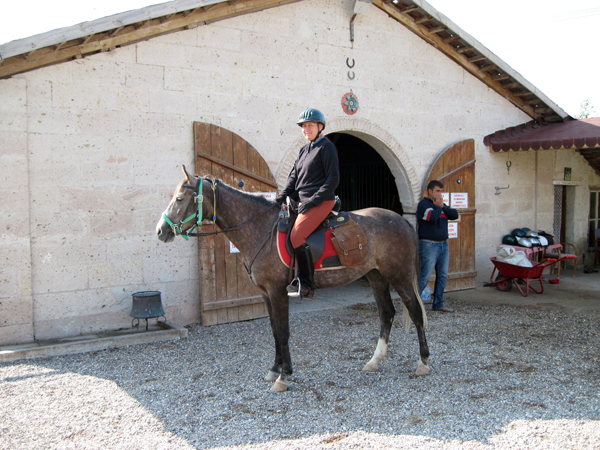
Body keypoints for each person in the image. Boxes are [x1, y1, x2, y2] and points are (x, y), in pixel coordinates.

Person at [275, 108, 340, 298]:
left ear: (320, 127)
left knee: (296, 236)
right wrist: (280, 198)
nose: (306, 129)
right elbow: (293, 179)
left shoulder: (326, 147)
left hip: (321, 200)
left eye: (310, 125)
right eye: (303, 126)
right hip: (302, 200)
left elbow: (333, 180)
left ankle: (307, 284)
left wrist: (313, 201)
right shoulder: (304, 150)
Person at [416, 180, 459, 312]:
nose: (440, 194)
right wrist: (439, 207)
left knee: (443, 275)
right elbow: (433, 217)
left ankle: (438, 304)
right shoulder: (423, 205)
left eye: (441, 191)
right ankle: (412, 303)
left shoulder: (442, 205)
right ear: (430, 191)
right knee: (425, 276)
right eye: (437, 191)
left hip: (443, 245)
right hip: (429, 244)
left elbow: (455, 215)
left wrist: (443, 206)